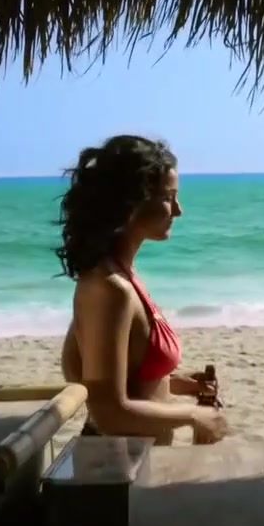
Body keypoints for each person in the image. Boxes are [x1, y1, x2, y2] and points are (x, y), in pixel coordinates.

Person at [56, 135, 228, 445]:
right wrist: (193, 415)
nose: (178, 210)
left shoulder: (124, 277)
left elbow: (125, 380)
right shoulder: (108, 289)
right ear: (131, 203)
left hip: (136, 459)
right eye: (168, 197)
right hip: (113, 464)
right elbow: (108, 411)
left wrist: (176, 384)